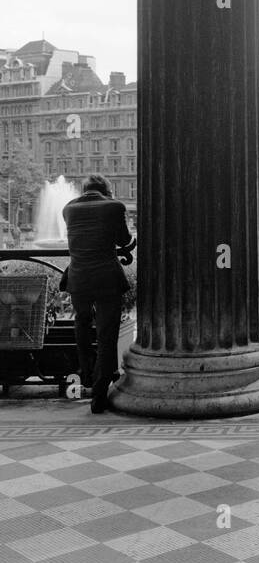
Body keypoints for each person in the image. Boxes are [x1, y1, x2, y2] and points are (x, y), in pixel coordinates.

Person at [62, 174, 135, 414]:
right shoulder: (114, 206)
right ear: (106, 190)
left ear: (84, 190)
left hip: (78, 279)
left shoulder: (68, 208)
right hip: (106, 279)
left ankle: (88, 374)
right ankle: (100, 393)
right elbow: (124, 240)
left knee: (82, 326)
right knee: (107, 335)